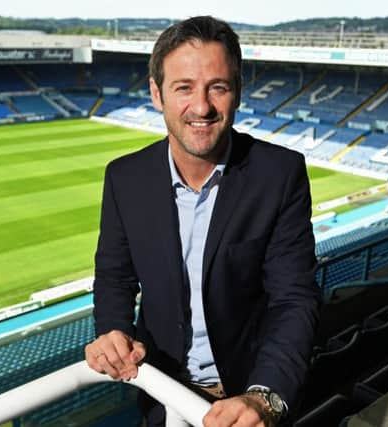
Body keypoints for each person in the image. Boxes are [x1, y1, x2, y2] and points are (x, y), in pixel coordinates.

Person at [85, 16, 321, 427]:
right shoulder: (124, 178)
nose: (202, 107)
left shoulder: (279, 175)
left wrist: (264, 397)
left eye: (218, 87)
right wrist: (112, 330)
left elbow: (294, 299)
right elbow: (114, 277)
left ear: (238, 93)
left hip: (247, 396)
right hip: (160, 393)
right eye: (184, 88)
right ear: (157, 94)